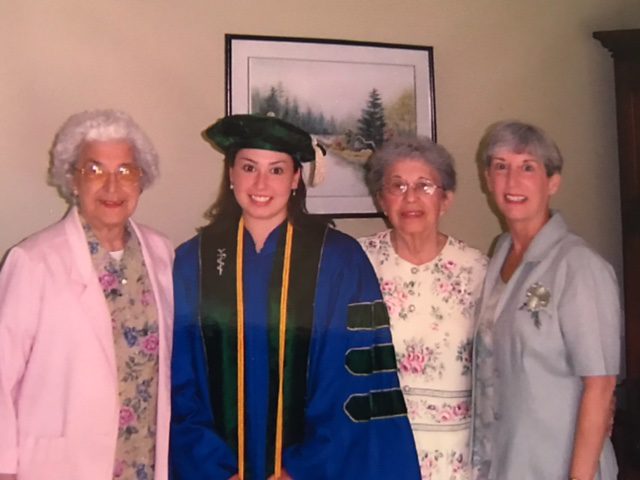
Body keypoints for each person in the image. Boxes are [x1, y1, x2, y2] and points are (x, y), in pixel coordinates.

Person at [169, 114, 420, 480]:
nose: (260, 183)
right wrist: (213, 467)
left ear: (296, 178)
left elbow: (354, 384)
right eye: (249, 167)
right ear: (231, 174)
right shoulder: (195, 261)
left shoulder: (338, 260)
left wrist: (300, 469)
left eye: (276, 170)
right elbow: (179, 378)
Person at [0, 109, 174, 480]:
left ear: (141, 181)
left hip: (143, 459)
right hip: (61, 465)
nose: (112, 187)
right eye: (94, 171)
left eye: (125, 171)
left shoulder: (161, 253)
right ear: (72, 180)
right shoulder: (33, 261)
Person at [471, 121, 621, 480]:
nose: (512, 181)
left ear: (553, 182)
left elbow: (600, 386)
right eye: (501, 166)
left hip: (560, 464)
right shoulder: (501, 252)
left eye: (528, 167)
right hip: (505, 460)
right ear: (488, 180)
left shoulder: (579, 267)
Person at [359, 137, 488, 480]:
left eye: (425, 185)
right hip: (378, 448)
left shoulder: (478, 271)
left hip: (456, 455)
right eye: (397, 185)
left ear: (446, 199)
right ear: (381, 200)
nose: (410, 197)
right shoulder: (356, 264)